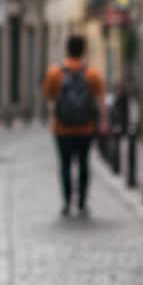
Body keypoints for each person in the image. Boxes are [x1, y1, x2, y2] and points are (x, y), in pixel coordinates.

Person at [41, 35, 104, 217]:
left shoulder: (55, 73)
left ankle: (67, 203)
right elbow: (99, 101)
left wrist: (54, 119)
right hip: (86, 128)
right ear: (83, 51)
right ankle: (82, 203)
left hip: (62, 129)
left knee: (65, 165)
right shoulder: (92, 74)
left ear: (67, 49)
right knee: (84, 163)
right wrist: (102, 124)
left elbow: (50, 100)